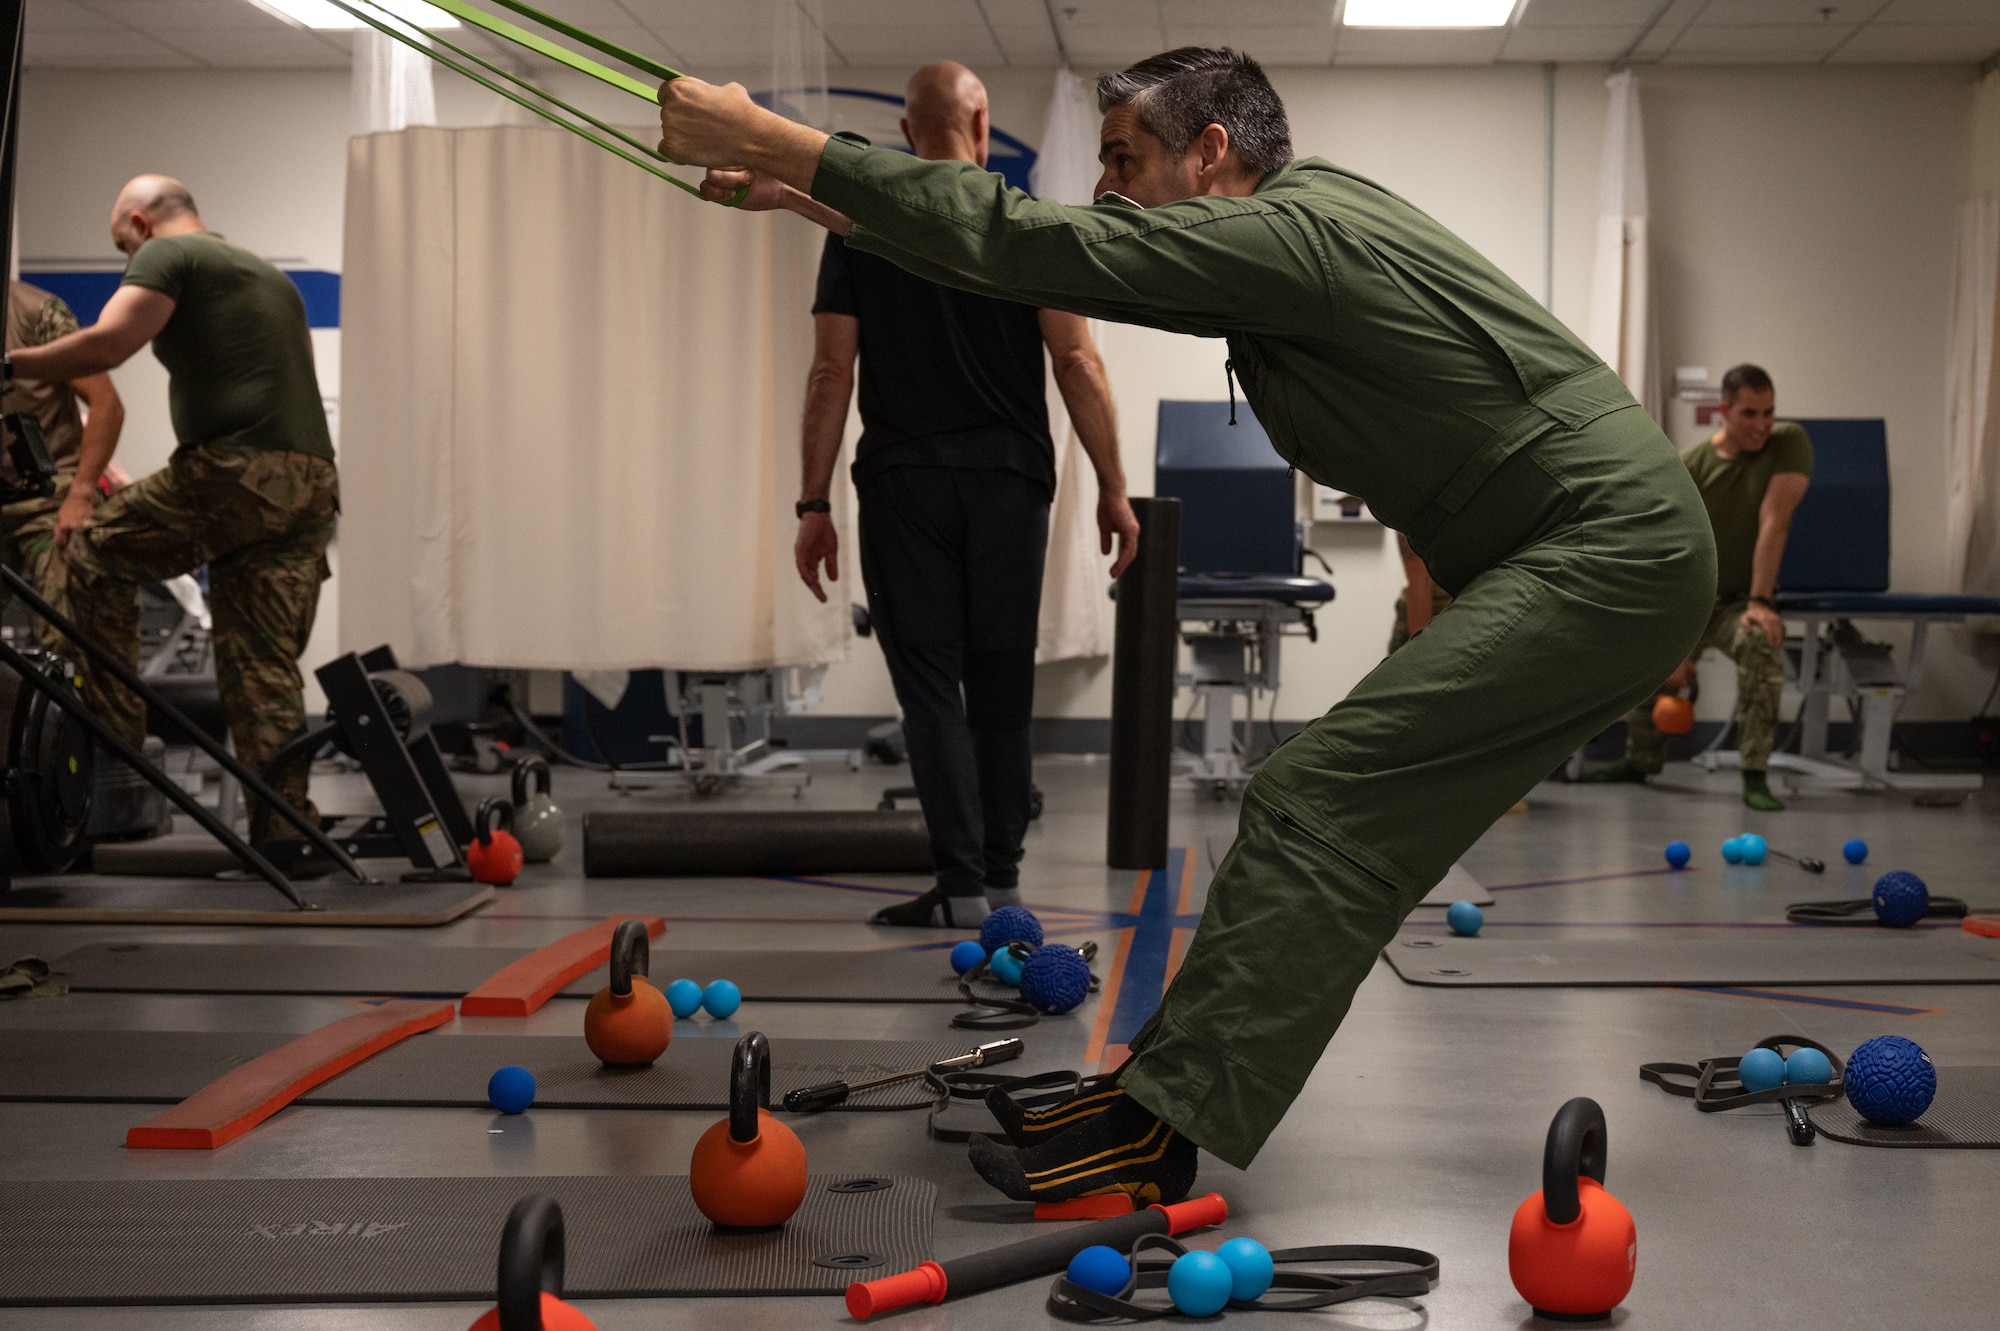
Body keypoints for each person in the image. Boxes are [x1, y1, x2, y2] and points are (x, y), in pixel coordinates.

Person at [660, 47, 1714, 1205]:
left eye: (1125, 159)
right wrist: (816, 199)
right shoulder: (1296, 234)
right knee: (1332, 804)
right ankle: (1150, 1086)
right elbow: (1027, 268)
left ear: (1210, 152)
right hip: (1564, 549)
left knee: (1315, 795)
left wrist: (780, 139)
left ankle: (1160, 1127)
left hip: (1608, 549)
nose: (1108, 187)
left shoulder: (1288, 237)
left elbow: (1035, 245)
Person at [798, 63, 1138, 929]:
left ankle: (959, 887)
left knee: (930, 693)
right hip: (1009, 486)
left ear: (909, 135)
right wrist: (1115, 486)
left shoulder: (863, 226)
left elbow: (832, 370)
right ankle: (1003, 883)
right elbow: (1077, 362)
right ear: (982, 128)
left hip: (904, 484)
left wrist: (812, 504)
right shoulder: (1023, 223)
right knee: (1000, 686)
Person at [4, 175, 339, 828]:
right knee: (257, 661)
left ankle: (114, 757)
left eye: (122, 247)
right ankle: (285, 828)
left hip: (238, 471)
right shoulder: (268, 276)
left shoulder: (168, 253)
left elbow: (109, 345)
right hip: (311, 485)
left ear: (139, 222)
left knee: (90, 549)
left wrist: (10, 365)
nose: (129, 262)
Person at [1582, 364, 1809, 811]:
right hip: (1691, 599)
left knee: (1761, 640)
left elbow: (1774, 520)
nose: (1763, 424)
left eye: (1769, 412)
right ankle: (1639, 761)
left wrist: (1761, 601)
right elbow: (1669, 550)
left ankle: (1755, 774)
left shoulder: (1789, 443)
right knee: (1645, 644)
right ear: (1722, 411)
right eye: (1749, 413)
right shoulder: (1689, 466)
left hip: (1741, 603)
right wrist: (1676, 641)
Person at [1, 281, 126, 627]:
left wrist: (81, 493)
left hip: (50, 497)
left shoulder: (35, 312)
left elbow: (107, 405)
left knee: (72, 629)